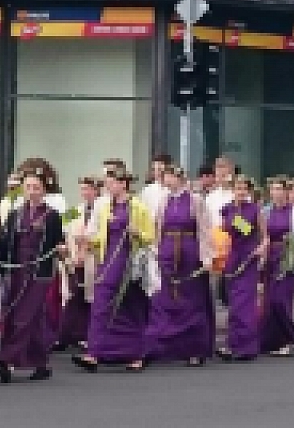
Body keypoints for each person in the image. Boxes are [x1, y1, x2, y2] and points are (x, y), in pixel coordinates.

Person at [73, 160, 154, 373]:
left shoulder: (138, 207)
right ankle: (94, 353)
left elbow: (150, 237)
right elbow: (100, 235)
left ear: (123, 184)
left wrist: (138, 233)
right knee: (100, 304)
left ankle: (135, 354)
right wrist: (87, 242)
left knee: (130, 307)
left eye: (111, 183)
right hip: (107, 260)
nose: (107, 187)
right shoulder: (101, 207)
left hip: (129, 262)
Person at [0, 161, 65, 382]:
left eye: (36, 187)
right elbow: (6, 242)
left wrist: (62, 249)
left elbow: (58, 242)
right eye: (28, 187)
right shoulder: (15, 214)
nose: (32, 191)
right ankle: (40, 361)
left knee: (24, 315)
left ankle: (6, 359)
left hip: (39, 271)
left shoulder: (52, 215)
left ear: (44, 189)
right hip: (17, 269)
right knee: (22, 314)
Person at [146, 165, 215, 367]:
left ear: (179, 177)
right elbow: (158, 228)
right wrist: (154, 251)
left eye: (169, 176)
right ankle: (160, 346)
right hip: (167, 250)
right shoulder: (163, 200)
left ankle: (194, 349)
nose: (166, 180)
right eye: (164, 176)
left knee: (191, 300)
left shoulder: (195, 200)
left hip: (189, 252)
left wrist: (207, 256)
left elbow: (203, 229)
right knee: (163, 299)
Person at [217, 175, 267, 362]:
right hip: (233, 255)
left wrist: (262, 248)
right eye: (237, 188)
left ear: (248, 191)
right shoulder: (227, 209)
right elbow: (223, 229)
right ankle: (233, 344)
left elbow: (262, 235)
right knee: (233, 302)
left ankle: (245, 346)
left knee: (244, 303)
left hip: (249, 256)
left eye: (243, 188)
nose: (240, 191)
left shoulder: (255, 209)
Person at [259, 177, 294, 356]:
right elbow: (254, 232)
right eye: (272, 189)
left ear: (286, 192)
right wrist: (235, 223)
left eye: (279, 189)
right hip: (269, 259)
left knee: (280, 302)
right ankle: (276, 341)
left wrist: (292, 239)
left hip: (287, 259)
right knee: (269, 302)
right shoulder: (265, 211)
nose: (275, 193)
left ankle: (292, 338)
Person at [59, 176, 100, 349]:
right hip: (76, 258)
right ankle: (67, 335)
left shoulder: (103, 208)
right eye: (82, 189)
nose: (84, 193)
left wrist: (87, 242)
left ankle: (89, 335)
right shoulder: (76, 210)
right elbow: (61, 224)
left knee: (91, 297)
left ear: (96, 190)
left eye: (87, 189)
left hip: (93, 258)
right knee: (74, 295)